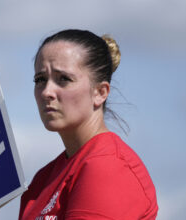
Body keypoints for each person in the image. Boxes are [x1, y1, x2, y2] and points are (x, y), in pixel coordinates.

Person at [18, 29, 158, 220]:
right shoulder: (42, 180)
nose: (46, 92)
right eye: (40, 80)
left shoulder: (107, 167)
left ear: (100, 92)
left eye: (64, 79)